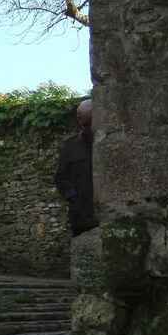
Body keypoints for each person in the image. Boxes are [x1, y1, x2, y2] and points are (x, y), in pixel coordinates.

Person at [54, 99, 98, 237]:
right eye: (80, 119)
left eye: (88, 121)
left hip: (106, 214)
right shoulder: (70, 146)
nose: (84, 125)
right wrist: (74, 199)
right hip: (80, 218)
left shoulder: (108, 141)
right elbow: (60, 178)